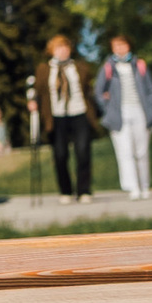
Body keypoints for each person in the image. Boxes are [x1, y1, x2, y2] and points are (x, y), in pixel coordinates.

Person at [97, 35, 152, 200]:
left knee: (141, 151)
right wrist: (108, 111)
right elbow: (98, 92)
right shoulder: (108, 67)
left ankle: (144, 185)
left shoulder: (139, 65)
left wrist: (151, 113)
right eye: (115, 46)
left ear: (129, 46)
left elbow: (151, 90)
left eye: (122, 45)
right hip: (120, 113)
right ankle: (133, 187)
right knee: (125, 151)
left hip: (140, 111)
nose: (119, 48)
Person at [43, 33, 98, 201]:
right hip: (57, 116)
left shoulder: (79, 67)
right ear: (52, 50)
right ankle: (65, 190)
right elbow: (39, 92)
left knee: (83, 152)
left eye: (65, 48)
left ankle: (84, 190)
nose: (63, 51)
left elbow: (88, 88)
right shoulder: (45, 70)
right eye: (59, 48)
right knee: (60, 154)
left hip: (79, 112)